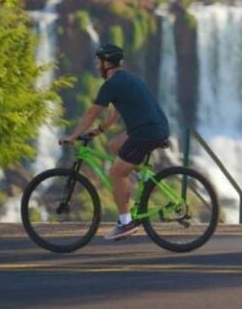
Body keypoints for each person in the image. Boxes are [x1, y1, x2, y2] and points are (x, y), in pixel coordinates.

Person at [60, 43, 170, 240]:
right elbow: (116, 112)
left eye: (99, 62)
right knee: (114, 145)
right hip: (154, 127)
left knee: (116, 173)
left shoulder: (111, 84)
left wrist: (73, 136)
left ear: (106, 63)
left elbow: (91, 113)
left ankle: (126, 222)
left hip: (145, 132)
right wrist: (99, 130)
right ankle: (141, 178)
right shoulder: (127, 79)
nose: (97, 65)